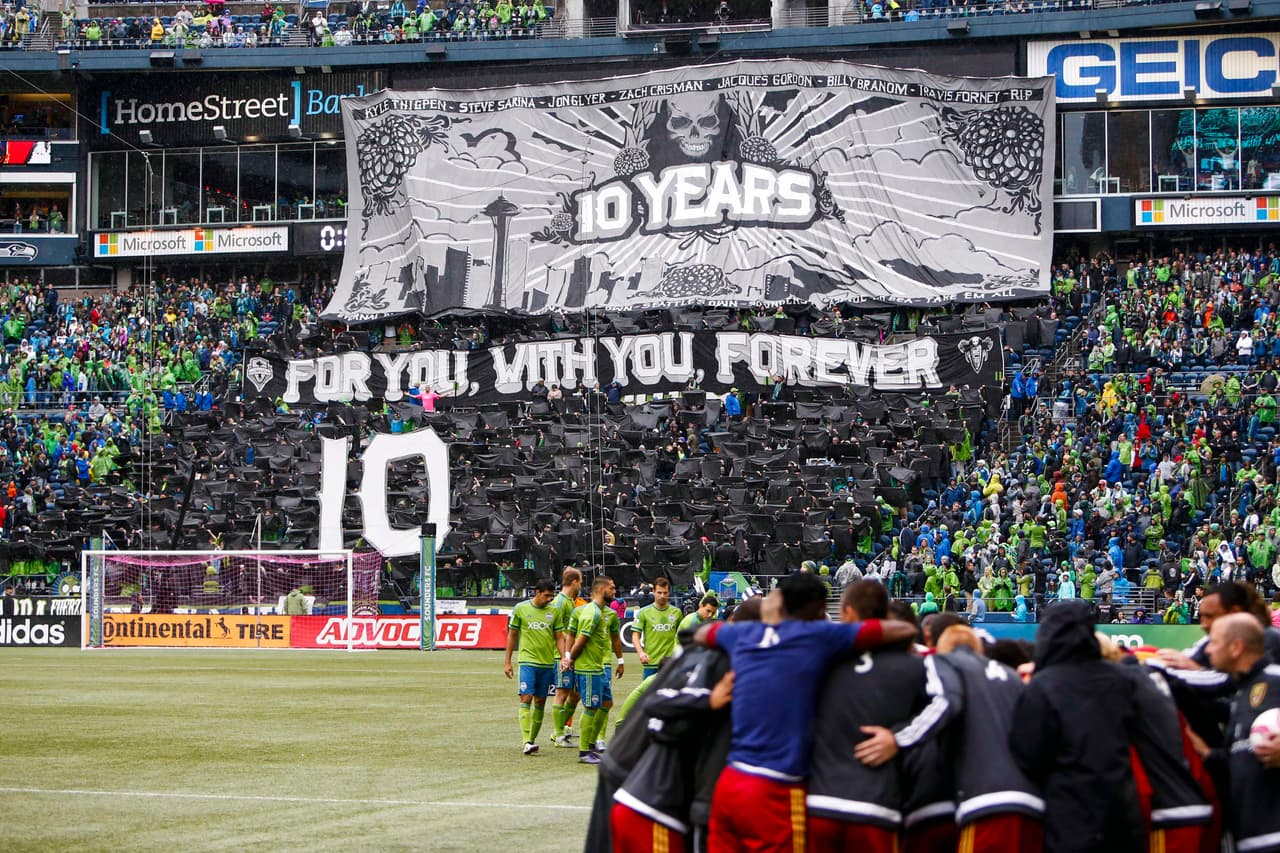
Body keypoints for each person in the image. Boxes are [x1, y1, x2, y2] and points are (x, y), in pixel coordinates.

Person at [694, 573, 915, 852]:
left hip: (730, 782)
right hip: (775, 788)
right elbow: (901, 630)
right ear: (821, 610)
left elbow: (701, 633)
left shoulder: (742, 634)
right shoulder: (818, 636)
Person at [806, 580, 935, 852]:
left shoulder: (820, 660)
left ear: (849, 612)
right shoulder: (915, 666)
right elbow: (944, 708)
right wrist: (899, 737)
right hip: (877, 806)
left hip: (820, 803)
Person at [1010, 600, 1143, 852]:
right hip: (1124, 814)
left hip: (1070, 815)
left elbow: (1027, 754)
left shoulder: (1043, 685)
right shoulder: (1121, 680)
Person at [1192, 612, 1280, 853]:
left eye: (1214, 642)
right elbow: (1241, 758)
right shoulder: (1241, 693)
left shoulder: (1275, 681)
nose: (1208, 650)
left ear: (1236, 647)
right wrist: (1206, 753)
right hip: (1248, 839)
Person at [565, 575, 622, 764]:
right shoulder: (593, 613)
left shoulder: (600, 611)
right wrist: (570, 659)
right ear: (601, 589)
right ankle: (584, 751)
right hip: (588, 668)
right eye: (612, 588)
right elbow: (581, 640)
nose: (615, 591)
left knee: (606, 703)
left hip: (597, 666)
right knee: (590, 707)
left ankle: (590, 744)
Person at [503, 578, 560, 755]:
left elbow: (559, 637)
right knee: (526, 698)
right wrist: (507, 661)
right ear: (537, 592)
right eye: (547, 595)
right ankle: (526, 741)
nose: (549, 599)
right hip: (527, 661)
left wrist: (565, 657)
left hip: (547, 663)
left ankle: (532, 740)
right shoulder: (521, 608)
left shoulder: (554, 612)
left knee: (541, 701)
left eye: (552, 596)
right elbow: (512, 635)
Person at [550, 567, 582, 747]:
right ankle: (559, 735)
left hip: (570, 655)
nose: (581, 586)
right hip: (562, 656)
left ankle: (559, 729)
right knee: (562, 693)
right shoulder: (560, 603)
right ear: (574, 582)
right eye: (580, 582)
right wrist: (565, 655)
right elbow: (558, 632)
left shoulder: (568, 601)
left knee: (575, 694)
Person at [633, 577, 682, 679]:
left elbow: (682, 636)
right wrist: (641, 653)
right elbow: (635, 635)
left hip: (670, 663)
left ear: (669, 593)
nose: (662, 596)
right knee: (649, 694)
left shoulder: (677, 612)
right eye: (659, 592)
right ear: (653, 591)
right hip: (651, 662)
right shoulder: (643, 612)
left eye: (665, 592)